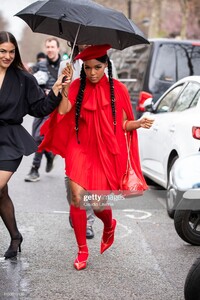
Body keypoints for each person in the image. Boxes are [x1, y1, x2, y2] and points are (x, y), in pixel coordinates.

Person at [38, 44, 154, 271]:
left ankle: (109, 225)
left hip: (103, 150)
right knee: (77, 196)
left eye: (98, 67)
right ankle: (82, 249)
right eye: (88, 68)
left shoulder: (118, 89)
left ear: (106, 66)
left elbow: (123, 124)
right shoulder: (76, 86)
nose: (92, 73)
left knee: (99, 205)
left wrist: (138, 124)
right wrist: (64, 84)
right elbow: (62, 111)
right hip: (79, 146)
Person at [0, 31, 66, 259]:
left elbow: (39, 108)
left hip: (9, 139)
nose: (7, 56)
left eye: (11, 51)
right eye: (2, 51)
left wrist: (57, 89)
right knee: (1, 194)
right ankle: (16, 236)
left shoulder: (23, 78)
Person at [59, 44, 118, 239]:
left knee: (93, 195)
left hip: (98, 134)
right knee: (74, 189)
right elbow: (63, 107)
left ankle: (88, 222)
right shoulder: (66, 64)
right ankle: (76, 208)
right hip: (75, 134)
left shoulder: (105, 62)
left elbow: (111, 96)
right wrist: (65, 83)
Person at [24, 37, 62, 182]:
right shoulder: (40, 65)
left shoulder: (65, 66)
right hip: (41, 105)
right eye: (48, 47)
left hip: (55, 107)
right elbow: (32, 83)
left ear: (58, 48)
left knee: (39, 136)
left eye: (52, 47)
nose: (50, 49)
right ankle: (49, 155)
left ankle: (34, 169)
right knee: (36, 137)